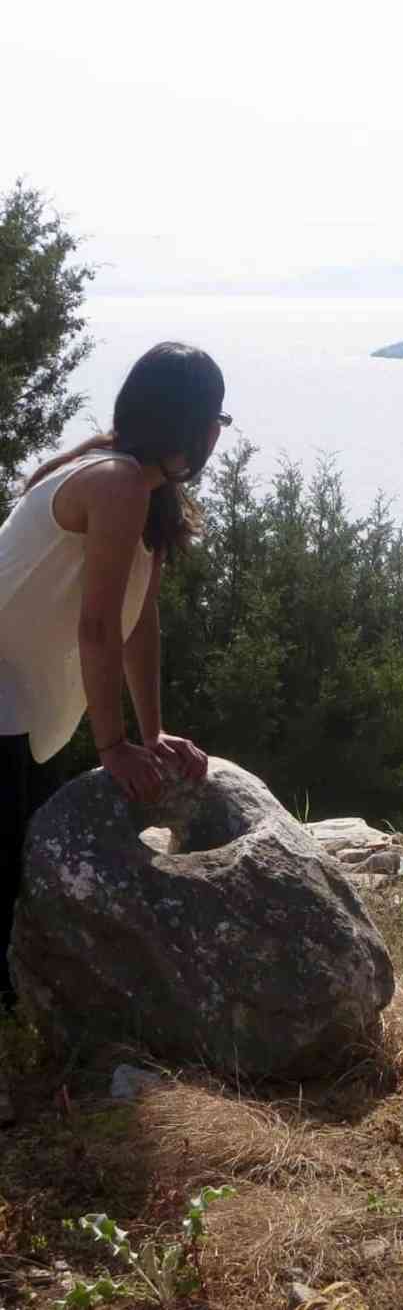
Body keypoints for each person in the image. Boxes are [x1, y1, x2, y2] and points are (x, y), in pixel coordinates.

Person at [0, 341, 230, 1018]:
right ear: (192, 423)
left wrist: (151, 735)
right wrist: (112, 747)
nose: (220, 432)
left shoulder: (145, 491)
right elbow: (96, 627)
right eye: (219, 418)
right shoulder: (117, 482)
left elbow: (137, 623)